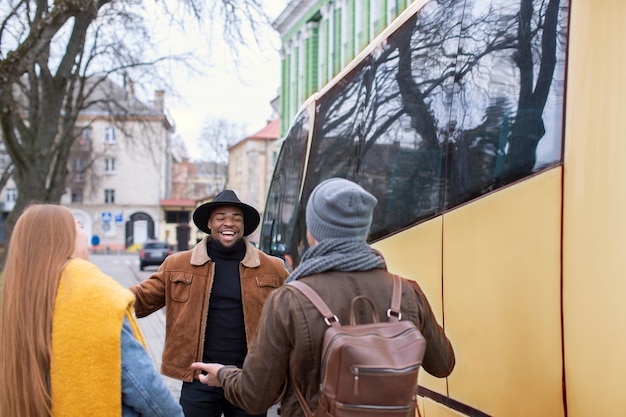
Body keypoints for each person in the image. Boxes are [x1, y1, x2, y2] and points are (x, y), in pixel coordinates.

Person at [190, 178, 456, 416]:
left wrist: (223, 375)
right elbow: (443, 364)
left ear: (313, 230)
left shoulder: (289, 300)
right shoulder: (406, 291)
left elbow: (256, 397)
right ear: (363, 228)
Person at [0, 204, 183, 417]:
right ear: (63, 237)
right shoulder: (94, 296)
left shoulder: (18, 301)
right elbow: (145, 387)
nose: (85, 234)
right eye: (79, 226)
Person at [130, 189, 290, 417]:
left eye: (236, 218)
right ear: (209, 223)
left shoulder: (272, 268)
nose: (229, 223)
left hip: (248, 379)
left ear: (244, 225)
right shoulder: (178, 264)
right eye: (221, 217)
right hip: (198, 377)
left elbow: (293, 313)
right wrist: (102, 298)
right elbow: (142, 297)